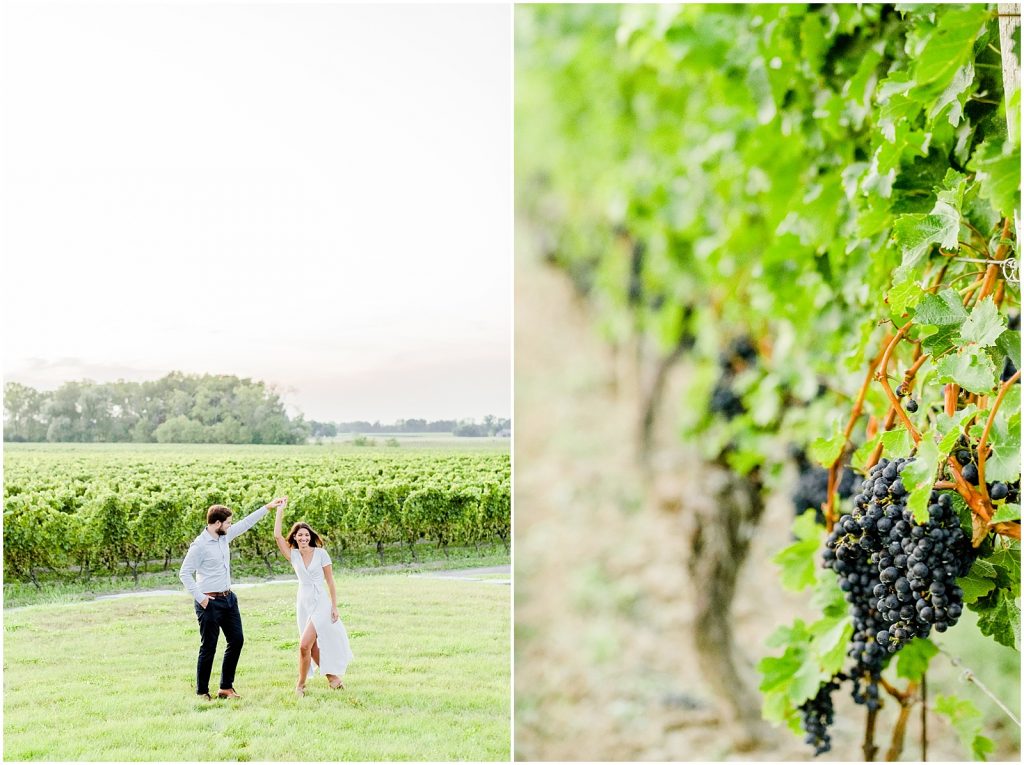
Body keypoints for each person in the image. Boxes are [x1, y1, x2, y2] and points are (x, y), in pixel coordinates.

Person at [179, 497, 288, 700]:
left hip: (229, 599)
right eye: (228, 522)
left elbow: (246, 523)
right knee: (209, 647)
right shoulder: (199, 546)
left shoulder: (223, 537)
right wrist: (201, 599)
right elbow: (184, 573)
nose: (230, 526)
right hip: (209, 602)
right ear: (217, 523)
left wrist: (268, 507)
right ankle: (202, 692)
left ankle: (225, 688)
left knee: (237, 640)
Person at [273, 504, 354, 697]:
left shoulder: (321, 553)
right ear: (294, 537)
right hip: (304, 601)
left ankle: (300, 685)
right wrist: (279, 510)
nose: (303, 538)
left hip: (321, 602)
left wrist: (334, 606)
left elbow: (331, 581)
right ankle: (333, 679)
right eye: (299, 535)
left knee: (304, 644)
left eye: (306, 535)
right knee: (311, 645)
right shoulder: (293, 555)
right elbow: (277, 536)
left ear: (310, 537)